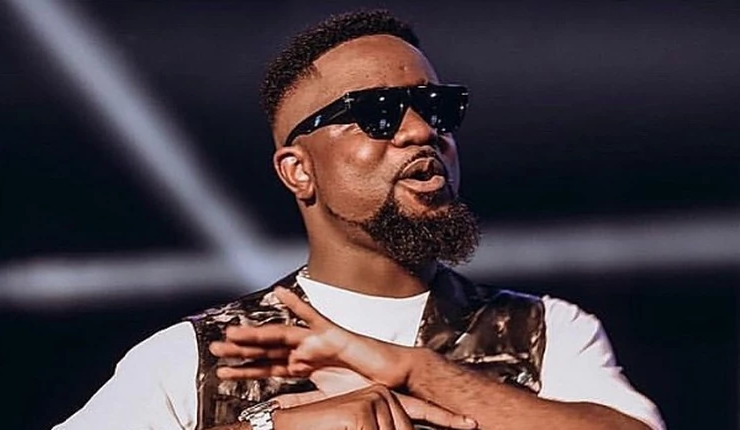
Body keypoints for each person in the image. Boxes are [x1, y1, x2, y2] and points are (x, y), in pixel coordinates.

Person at [53, 9, 665, 430]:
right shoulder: (198, 356)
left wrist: (418, 371)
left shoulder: (548, 330)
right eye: (376, 114)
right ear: (298, 170)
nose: (421, 131)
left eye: (435, 108)